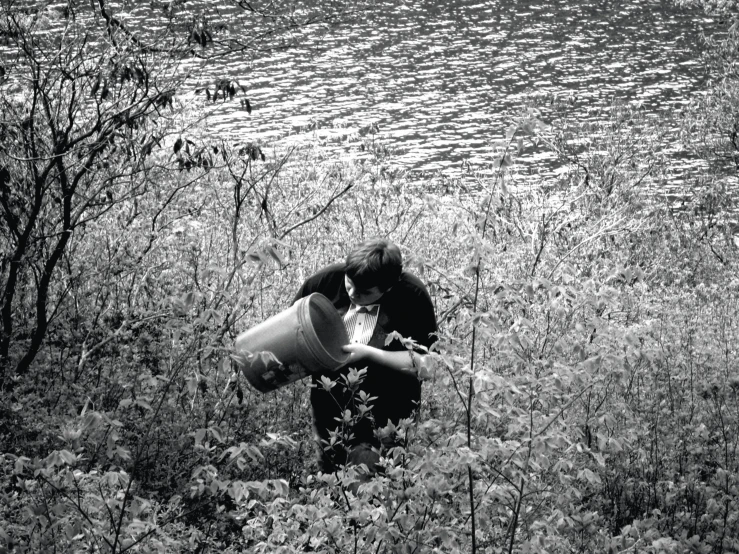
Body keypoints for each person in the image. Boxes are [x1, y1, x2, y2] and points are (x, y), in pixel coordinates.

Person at [294, 238, 437, 473]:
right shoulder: (326, 281)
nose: (352, 293)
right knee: (333, 483)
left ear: (388, 287)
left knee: (381, 485)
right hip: (329, 410)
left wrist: (369, 354)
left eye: (364, 292)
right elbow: (292, 328)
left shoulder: (412, 296)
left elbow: (428, 366)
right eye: (349, 284)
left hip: (388, 416)